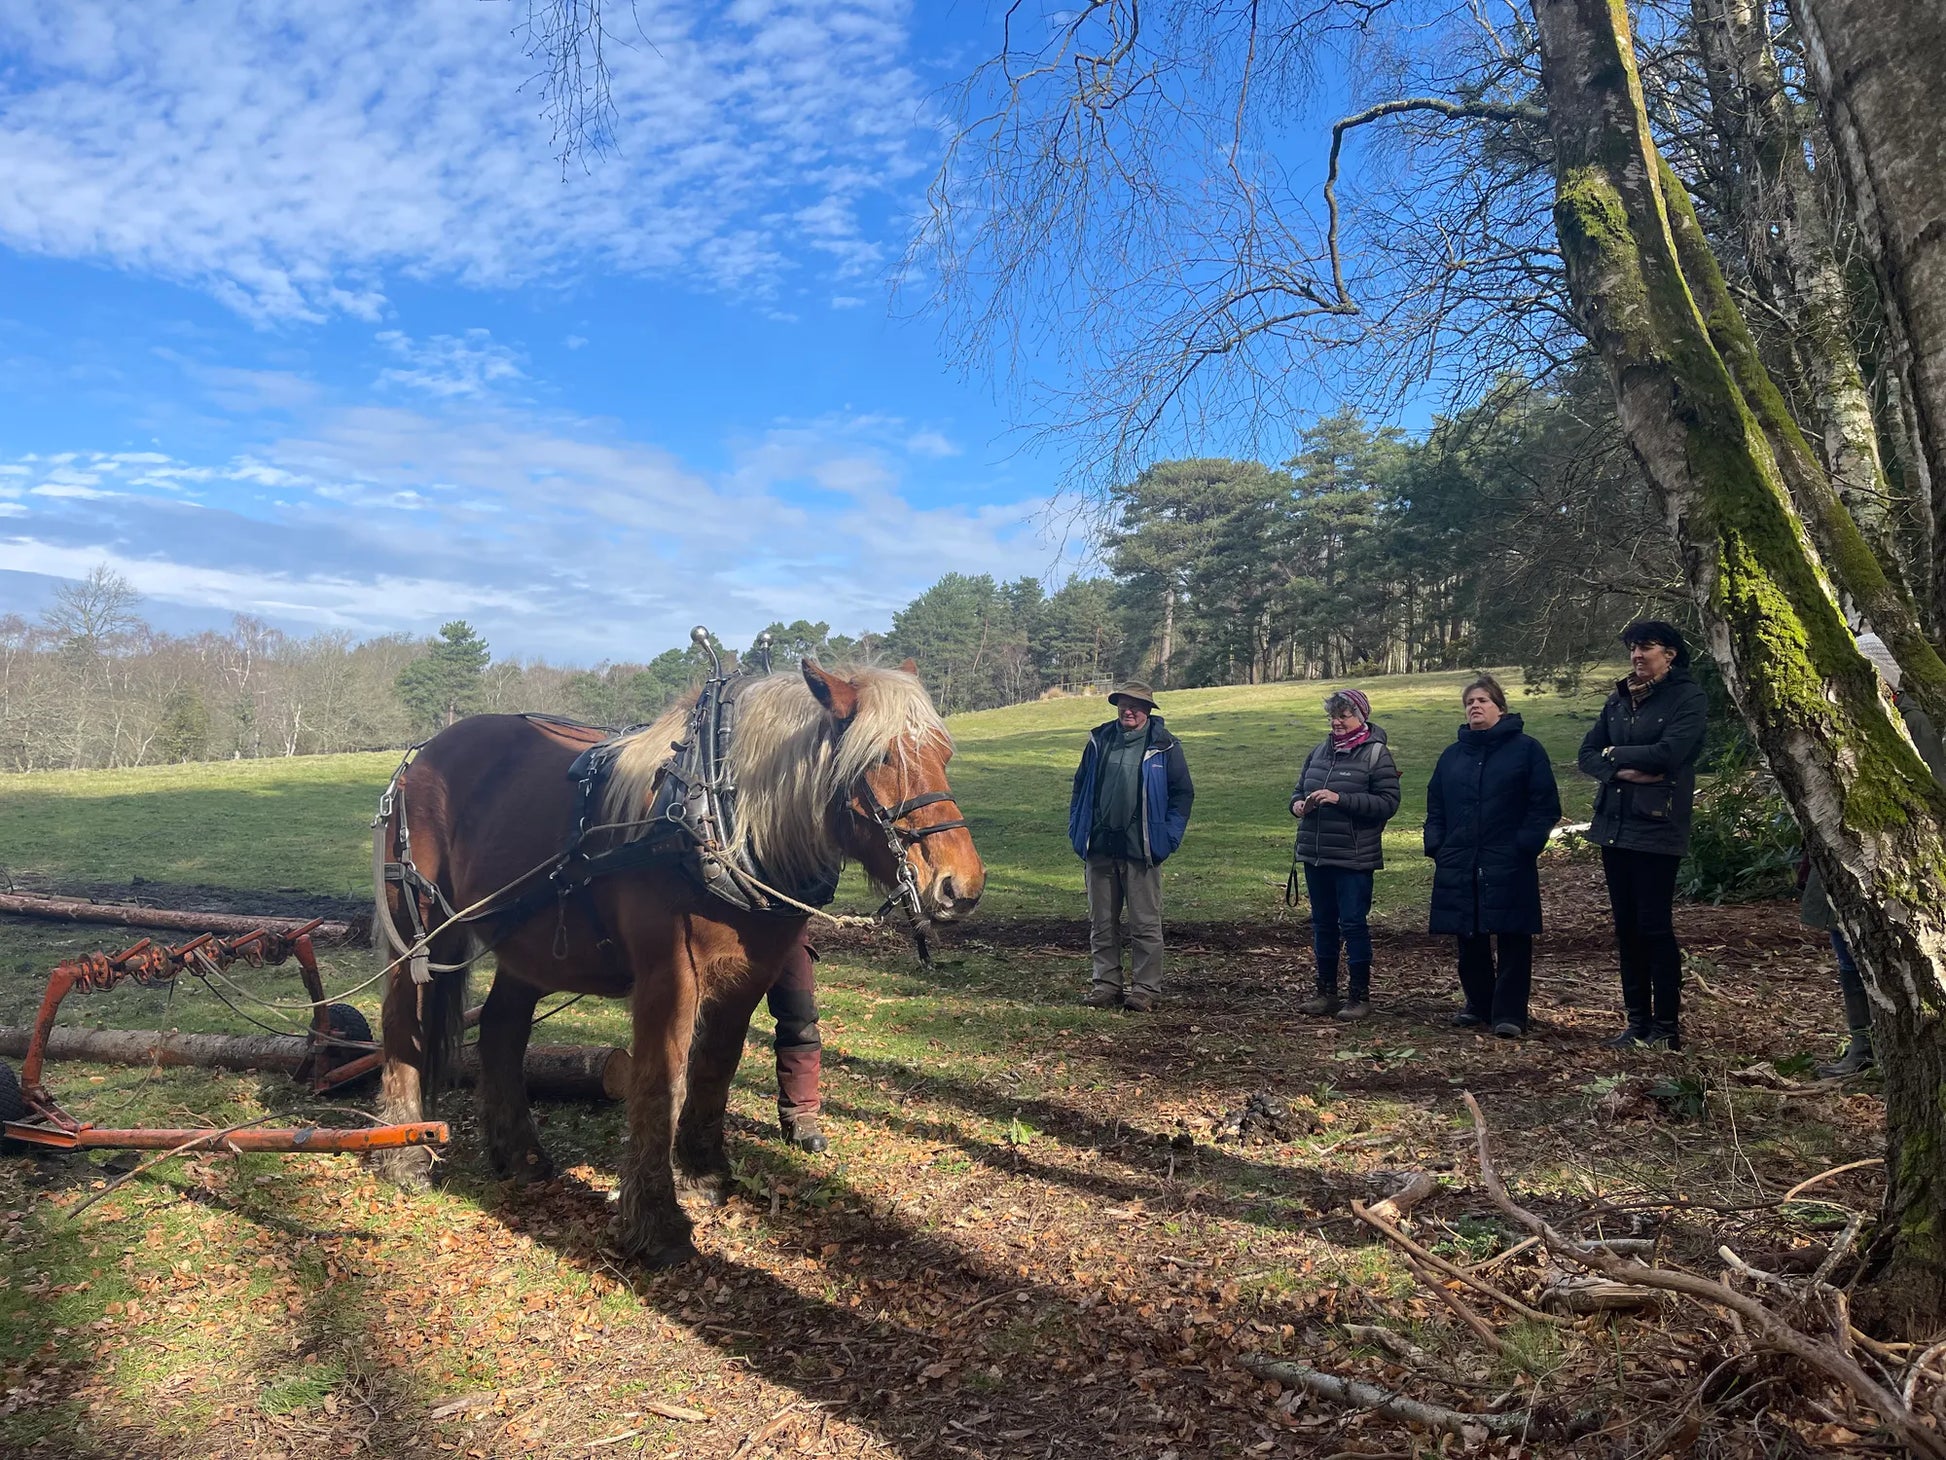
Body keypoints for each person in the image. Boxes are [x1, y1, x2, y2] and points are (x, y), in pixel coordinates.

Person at [1799, 632, 1946, 1077]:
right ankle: (1863, 1048)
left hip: (1890, 862)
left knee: (1888, 959)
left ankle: (1896, 1052)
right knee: (1847, 954)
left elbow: (1930, 791)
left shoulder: (1910, 723)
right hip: (1844, 857)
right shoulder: (1843, 720)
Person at [1577, 620, 1709, 1050]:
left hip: (1657, 826)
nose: (1637, 655)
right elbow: (1586, 753)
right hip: (1613, 827)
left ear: (1669, 654)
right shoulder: (1618, 701)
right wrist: (1622, 766)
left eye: (1646, 647)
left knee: (1654, 927)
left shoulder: (1687, 697)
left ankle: (1667, 1029)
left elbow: (1670, 754)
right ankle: (1637, 1024)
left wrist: (1613, 754)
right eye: (1632, 648)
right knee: (1626, 929)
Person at [1424, 674, 1562, 1038]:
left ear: (1500, 707)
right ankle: (1478, 1005)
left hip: (1509, 858)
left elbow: (1544, 805)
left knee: (1513, 935)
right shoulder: (1452, 755)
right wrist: (1437, 844)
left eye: (1483, 700)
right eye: (1469, 702)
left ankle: (1510, 1014)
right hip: (1460, 857)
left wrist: (1525, 845)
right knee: (1468, 934)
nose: (1475, 706)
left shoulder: (1527, 750)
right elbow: (1435, 803)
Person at [1068, 679, 1195, 1011]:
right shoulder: (1099, 740)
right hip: (1099, 846)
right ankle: (1106, 984)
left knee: (1144, 923)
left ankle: (1145, 990)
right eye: (1124, 704)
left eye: (1137, 706)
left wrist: (1167, 838)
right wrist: (1076, 828)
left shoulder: (1165, 745)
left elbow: (1183, 795)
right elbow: (1080, 786)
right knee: (1102, 922)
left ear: (1148, 711)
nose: (1129, 710)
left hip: (1142, 849)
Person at [1290, 688, 1402, 1021]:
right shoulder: (1318, 752)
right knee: (1323, 925)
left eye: (1345, 715)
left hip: (1354, 857)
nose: (1337, 722)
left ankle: (1359, 996)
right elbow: (1298, 790)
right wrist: (1297, 805)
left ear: (1361, 716)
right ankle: (1325, 993)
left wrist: (1341, 799)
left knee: (1352, 924)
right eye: (1334, 716)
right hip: (1316, 854)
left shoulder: (1376, 755)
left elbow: (1388, 803)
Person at [771, 933, 829, 1151]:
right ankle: (701, 1116)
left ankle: (800, 1114)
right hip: (724, 920)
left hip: (786, 926)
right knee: (719, 1023)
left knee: (800, 1018)